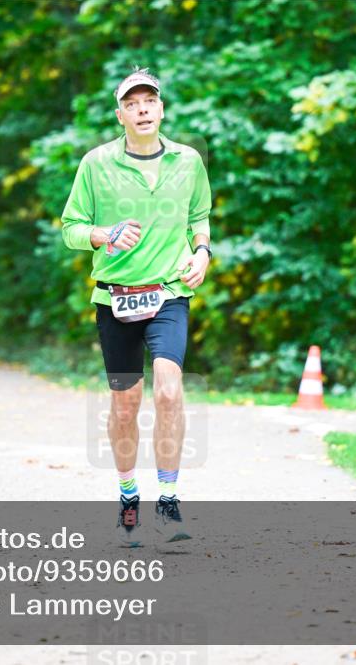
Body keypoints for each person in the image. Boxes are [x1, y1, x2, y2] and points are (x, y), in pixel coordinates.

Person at [61, 67, 212, 545]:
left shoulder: (188, 162)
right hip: (116, 297)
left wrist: (203, 252)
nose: (143, 109)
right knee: (125, 405)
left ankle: (168, 502)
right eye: (132, 103)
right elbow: (70, 228)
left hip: (169, 290)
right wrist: (102, 235)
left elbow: (199, 217)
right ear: (120, 113)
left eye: (150, 101)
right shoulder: (96, 164)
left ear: (162, 109)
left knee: (169, 389)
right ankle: (129, 499)